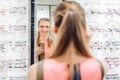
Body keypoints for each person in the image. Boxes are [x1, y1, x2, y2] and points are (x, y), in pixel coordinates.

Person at [27, 1, 104, 80]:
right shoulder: (98, 67)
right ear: (85, 30)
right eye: (42, 27)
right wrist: (85, 44)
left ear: (54, 29)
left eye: (47, 27)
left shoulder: (35, 71)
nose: (44, 29)